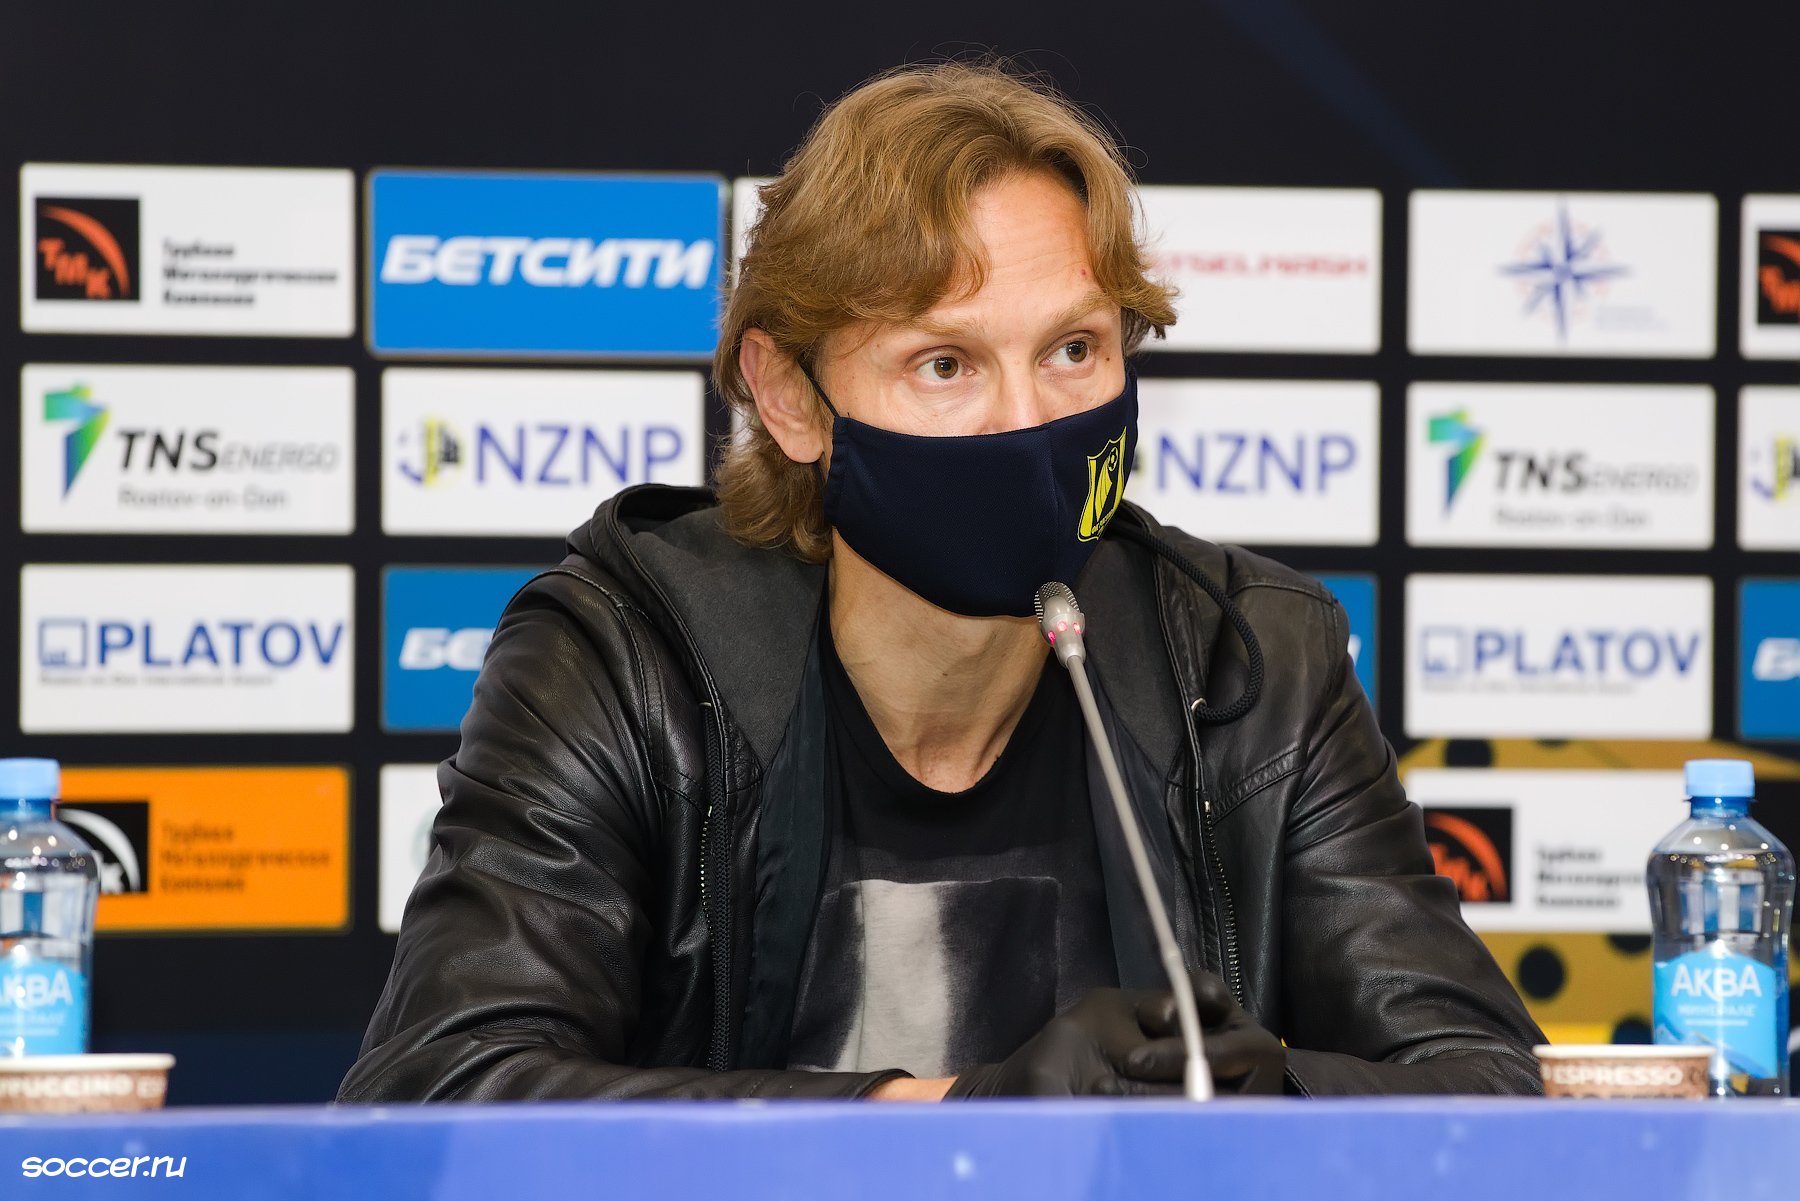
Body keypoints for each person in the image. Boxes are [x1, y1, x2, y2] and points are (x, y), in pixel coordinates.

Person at [339, 61, 1543, 1103]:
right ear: (791, 397)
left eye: (1074, 349)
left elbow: (1490, 1082)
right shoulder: (624, 660)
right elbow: (440, 1088)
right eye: (946, 364)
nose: (1028, 425)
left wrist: (1265, 1095)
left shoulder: (1250, 664)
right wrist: (954, 1110)